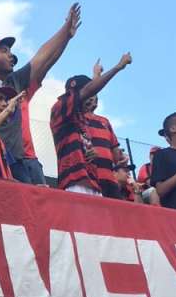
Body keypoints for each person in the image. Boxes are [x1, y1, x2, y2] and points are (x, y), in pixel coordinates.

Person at [0, 0, 81, 184]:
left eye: (10, 51)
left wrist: (65, 33)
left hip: (21, 161)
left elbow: (42, 57)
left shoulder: (15, 80)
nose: (11, 55)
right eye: (4, 51)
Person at [49, 60, 124, 197]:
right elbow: (89, 90)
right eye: (88, 94)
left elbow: (89, 91)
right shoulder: (60, 108)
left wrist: (90, 153)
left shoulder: (81, 119)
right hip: (74, 183)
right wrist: (118, 67)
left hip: (93, 184)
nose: (91, 97)